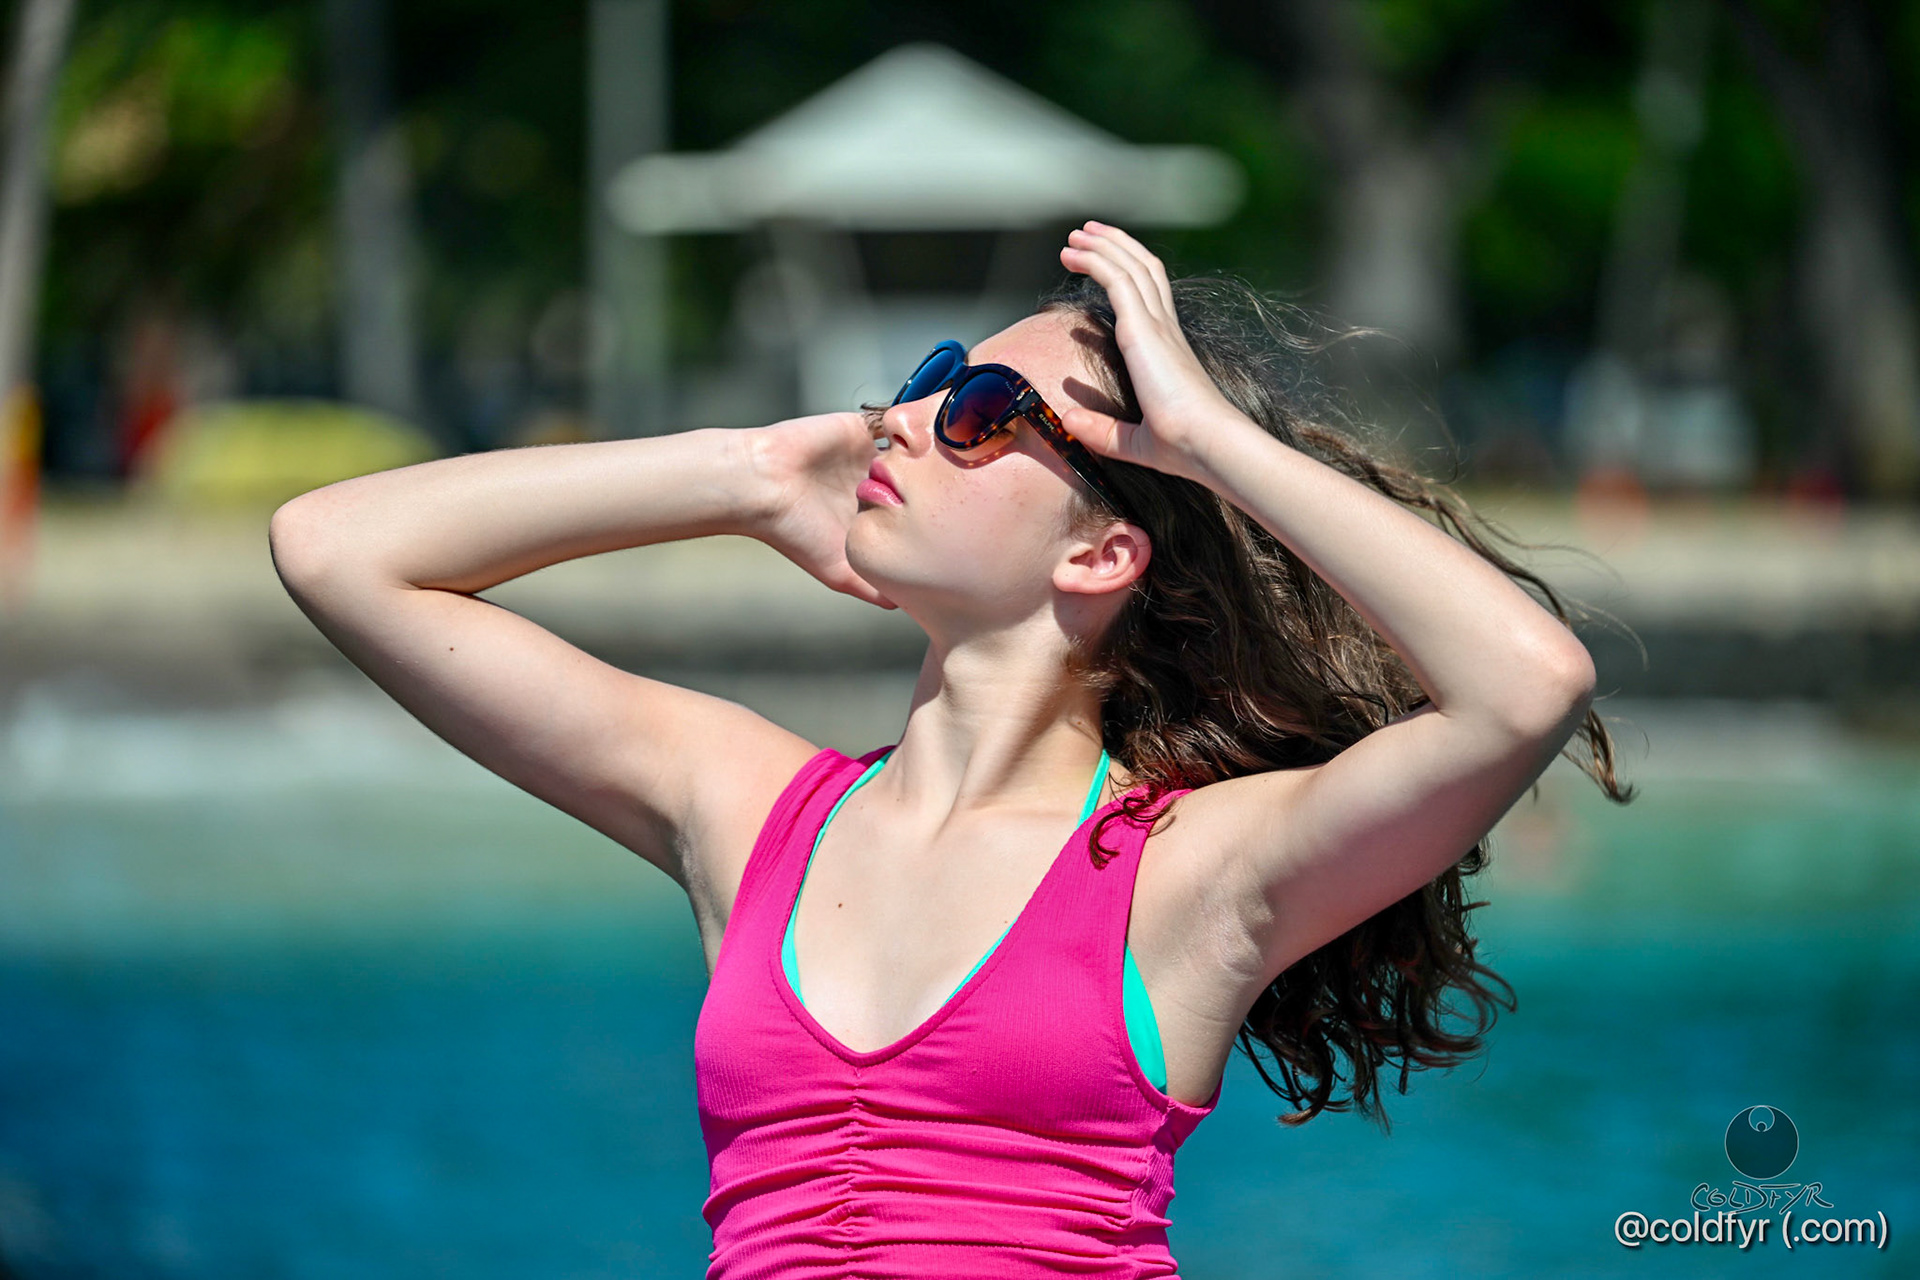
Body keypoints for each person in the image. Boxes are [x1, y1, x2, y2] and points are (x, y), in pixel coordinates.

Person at [269, 221, 1631, 1277]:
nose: (907, 419)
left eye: (983, 411)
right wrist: (744, 476)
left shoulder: (1183, 877)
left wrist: (1210, 441)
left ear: (1103, 551)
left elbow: (1526, 686)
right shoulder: (753, 815)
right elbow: (335, 551)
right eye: (927, 383)